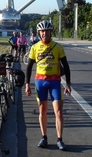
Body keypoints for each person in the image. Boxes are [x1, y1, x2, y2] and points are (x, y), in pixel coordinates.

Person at [25, 20, 71, 151]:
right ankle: (44, 137)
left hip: (55, 82)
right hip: (40, 82)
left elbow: (66, 66)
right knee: (42, 111)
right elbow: (29, 67)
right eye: (42, 31)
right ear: (39, 33)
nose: (45, 33)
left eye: (47, 31)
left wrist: (68, 84)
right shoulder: (34, 47)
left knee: (58, 111)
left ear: (51, 32)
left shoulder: (58, 47)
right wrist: (27, 84)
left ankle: (59, 139)